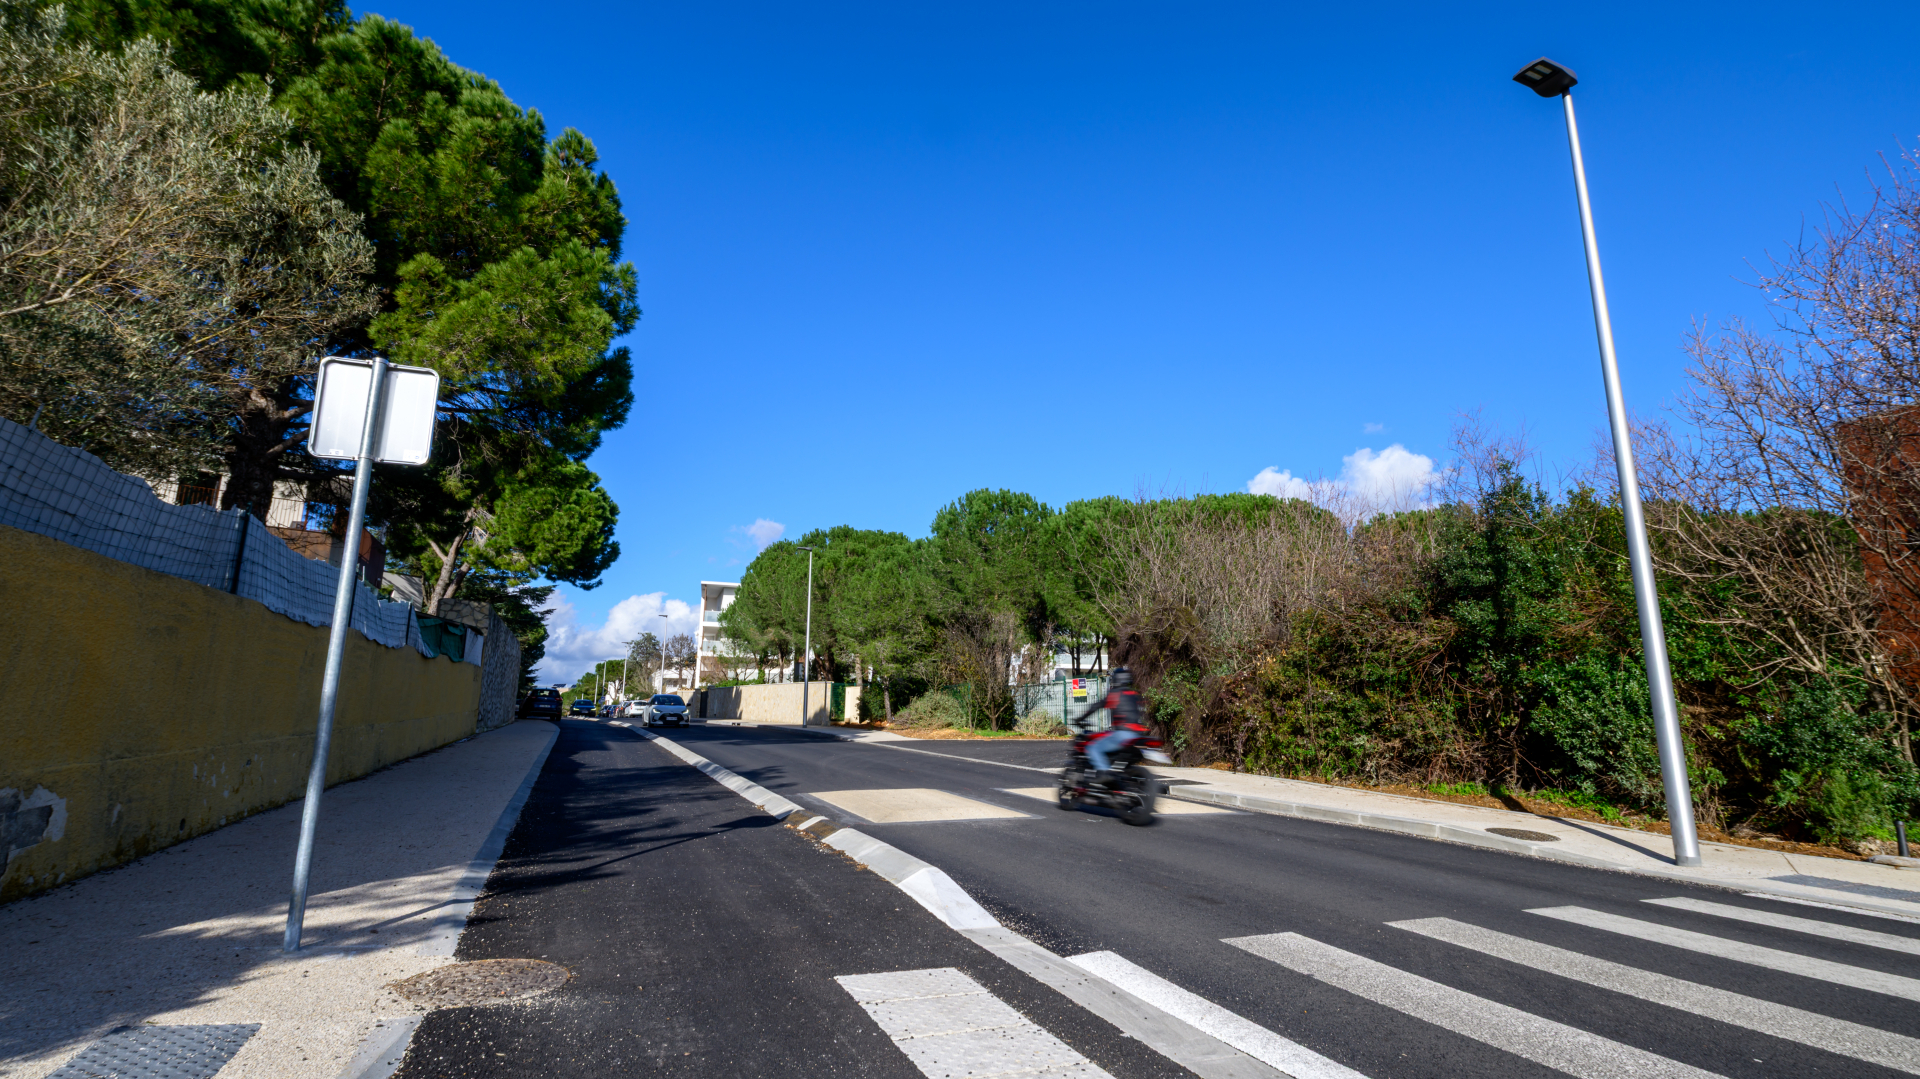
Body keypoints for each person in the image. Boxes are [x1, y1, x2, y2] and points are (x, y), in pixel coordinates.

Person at [1071, 667, 1147, 786]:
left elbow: (1097, 706)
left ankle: (1104, 774)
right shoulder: (1134, 695)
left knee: (1093, 748)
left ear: (1115, 680)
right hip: (1138, 735)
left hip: (1122, 734)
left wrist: (1081, 718)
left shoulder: (1115, 694)